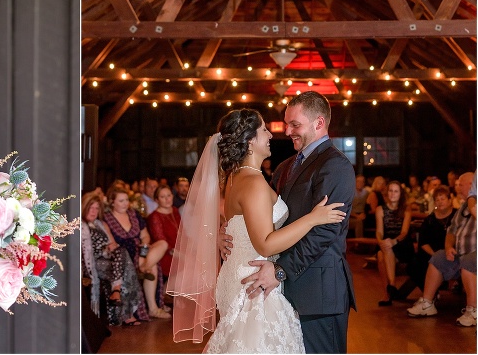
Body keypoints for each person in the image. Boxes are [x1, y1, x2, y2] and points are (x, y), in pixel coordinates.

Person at [167, 107, 346, 353]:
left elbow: (244, 222)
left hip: (241, 274)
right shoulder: (253, 182)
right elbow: (265, 243)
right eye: (264, 130)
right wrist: (313, 218)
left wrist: (224, 230)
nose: (272, 135)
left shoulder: (234, 179)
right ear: (250, 141)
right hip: (254, 281)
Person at [238, 91, 357, 353]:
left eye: (295, 124)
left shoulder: (335, 166)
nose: (287, 131)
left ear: (319, 123)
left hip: (319, 291)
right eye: (287, 123)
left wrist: (280, 270)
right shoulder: (284, 167)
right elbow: (264, 216)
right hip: (285, 291)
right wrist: (231, 235)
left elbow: (324, 233)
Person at [407, 172, 476, 326]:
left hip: (474, 252)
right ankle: (427, 303)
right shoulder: (463, 206)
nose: (457, 188)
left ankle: (474, 310)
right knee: (438, 257)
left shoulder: (474, 205)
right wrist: (448, 246)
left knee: (469, 261)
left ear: (472, 184)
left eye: (461, 185)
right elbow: (451, 230)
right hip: (459, 252)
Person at [103, 187, 171, 320]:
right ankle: (153, 308)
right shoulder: (107, 219)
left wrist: (144, 248)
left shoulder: (134, 214)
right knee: (153, 267)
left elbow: (145, 236)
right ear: (112, 202)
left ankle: (143, 267)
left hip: (140, 251)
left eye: (127, 200)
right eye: (121, 201)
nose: (125, 203)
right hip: (122, 254)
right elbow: (111, 244)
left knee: (162, 244)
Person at [81, 192, 142, 327]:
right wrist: (105, 250)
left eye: (97, 208)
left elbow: (112, 244)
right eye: (91, 207)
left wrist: (109, 248)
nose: (94, 211)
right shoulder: (79, 225)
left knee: (121, 252)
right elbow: (83, 253)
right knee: (123, 265)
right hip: (92, 264)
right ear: (84, 207)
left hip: (108, 261)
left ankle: (116, 290)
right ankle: (124, 310)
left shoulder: (100, 224)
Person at [397, 185, 455, 301]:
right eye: (437, 199)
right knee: (414, 265)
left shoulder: (457, 216)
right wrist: (434, 255)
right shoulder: (429, 219)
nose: (440, 202)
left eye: (443, 199)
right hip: (431, 252)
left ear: (449, 200)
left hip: (452, 252)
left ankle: (431, 293)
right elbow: (423, 242)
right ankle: (430, 293)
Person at [375, 181, 415, 306]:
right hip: (387, 243)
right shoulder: (380, 209)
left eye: (396, 191)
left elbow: (404, 232)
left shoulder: (406, 209)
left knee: (385, 251)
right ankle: (389, 290)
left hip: (402, 243)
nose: (393, 194)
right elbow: (379, 231)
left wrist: (393, 241)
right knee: (382, 254)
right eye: (391, 190)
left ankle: (390, 288)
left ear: (400, 194)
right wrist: (380, 241)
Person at [147, 185, 181, 277]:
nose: (167, 199)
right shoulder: (155, 217)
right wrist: (181, 255)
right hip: (166, 254)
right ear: (157, 200)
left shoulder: (174, 210)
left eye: (169, 195)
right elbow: (161, 241)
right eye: (162, 197)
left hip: (179, 249)